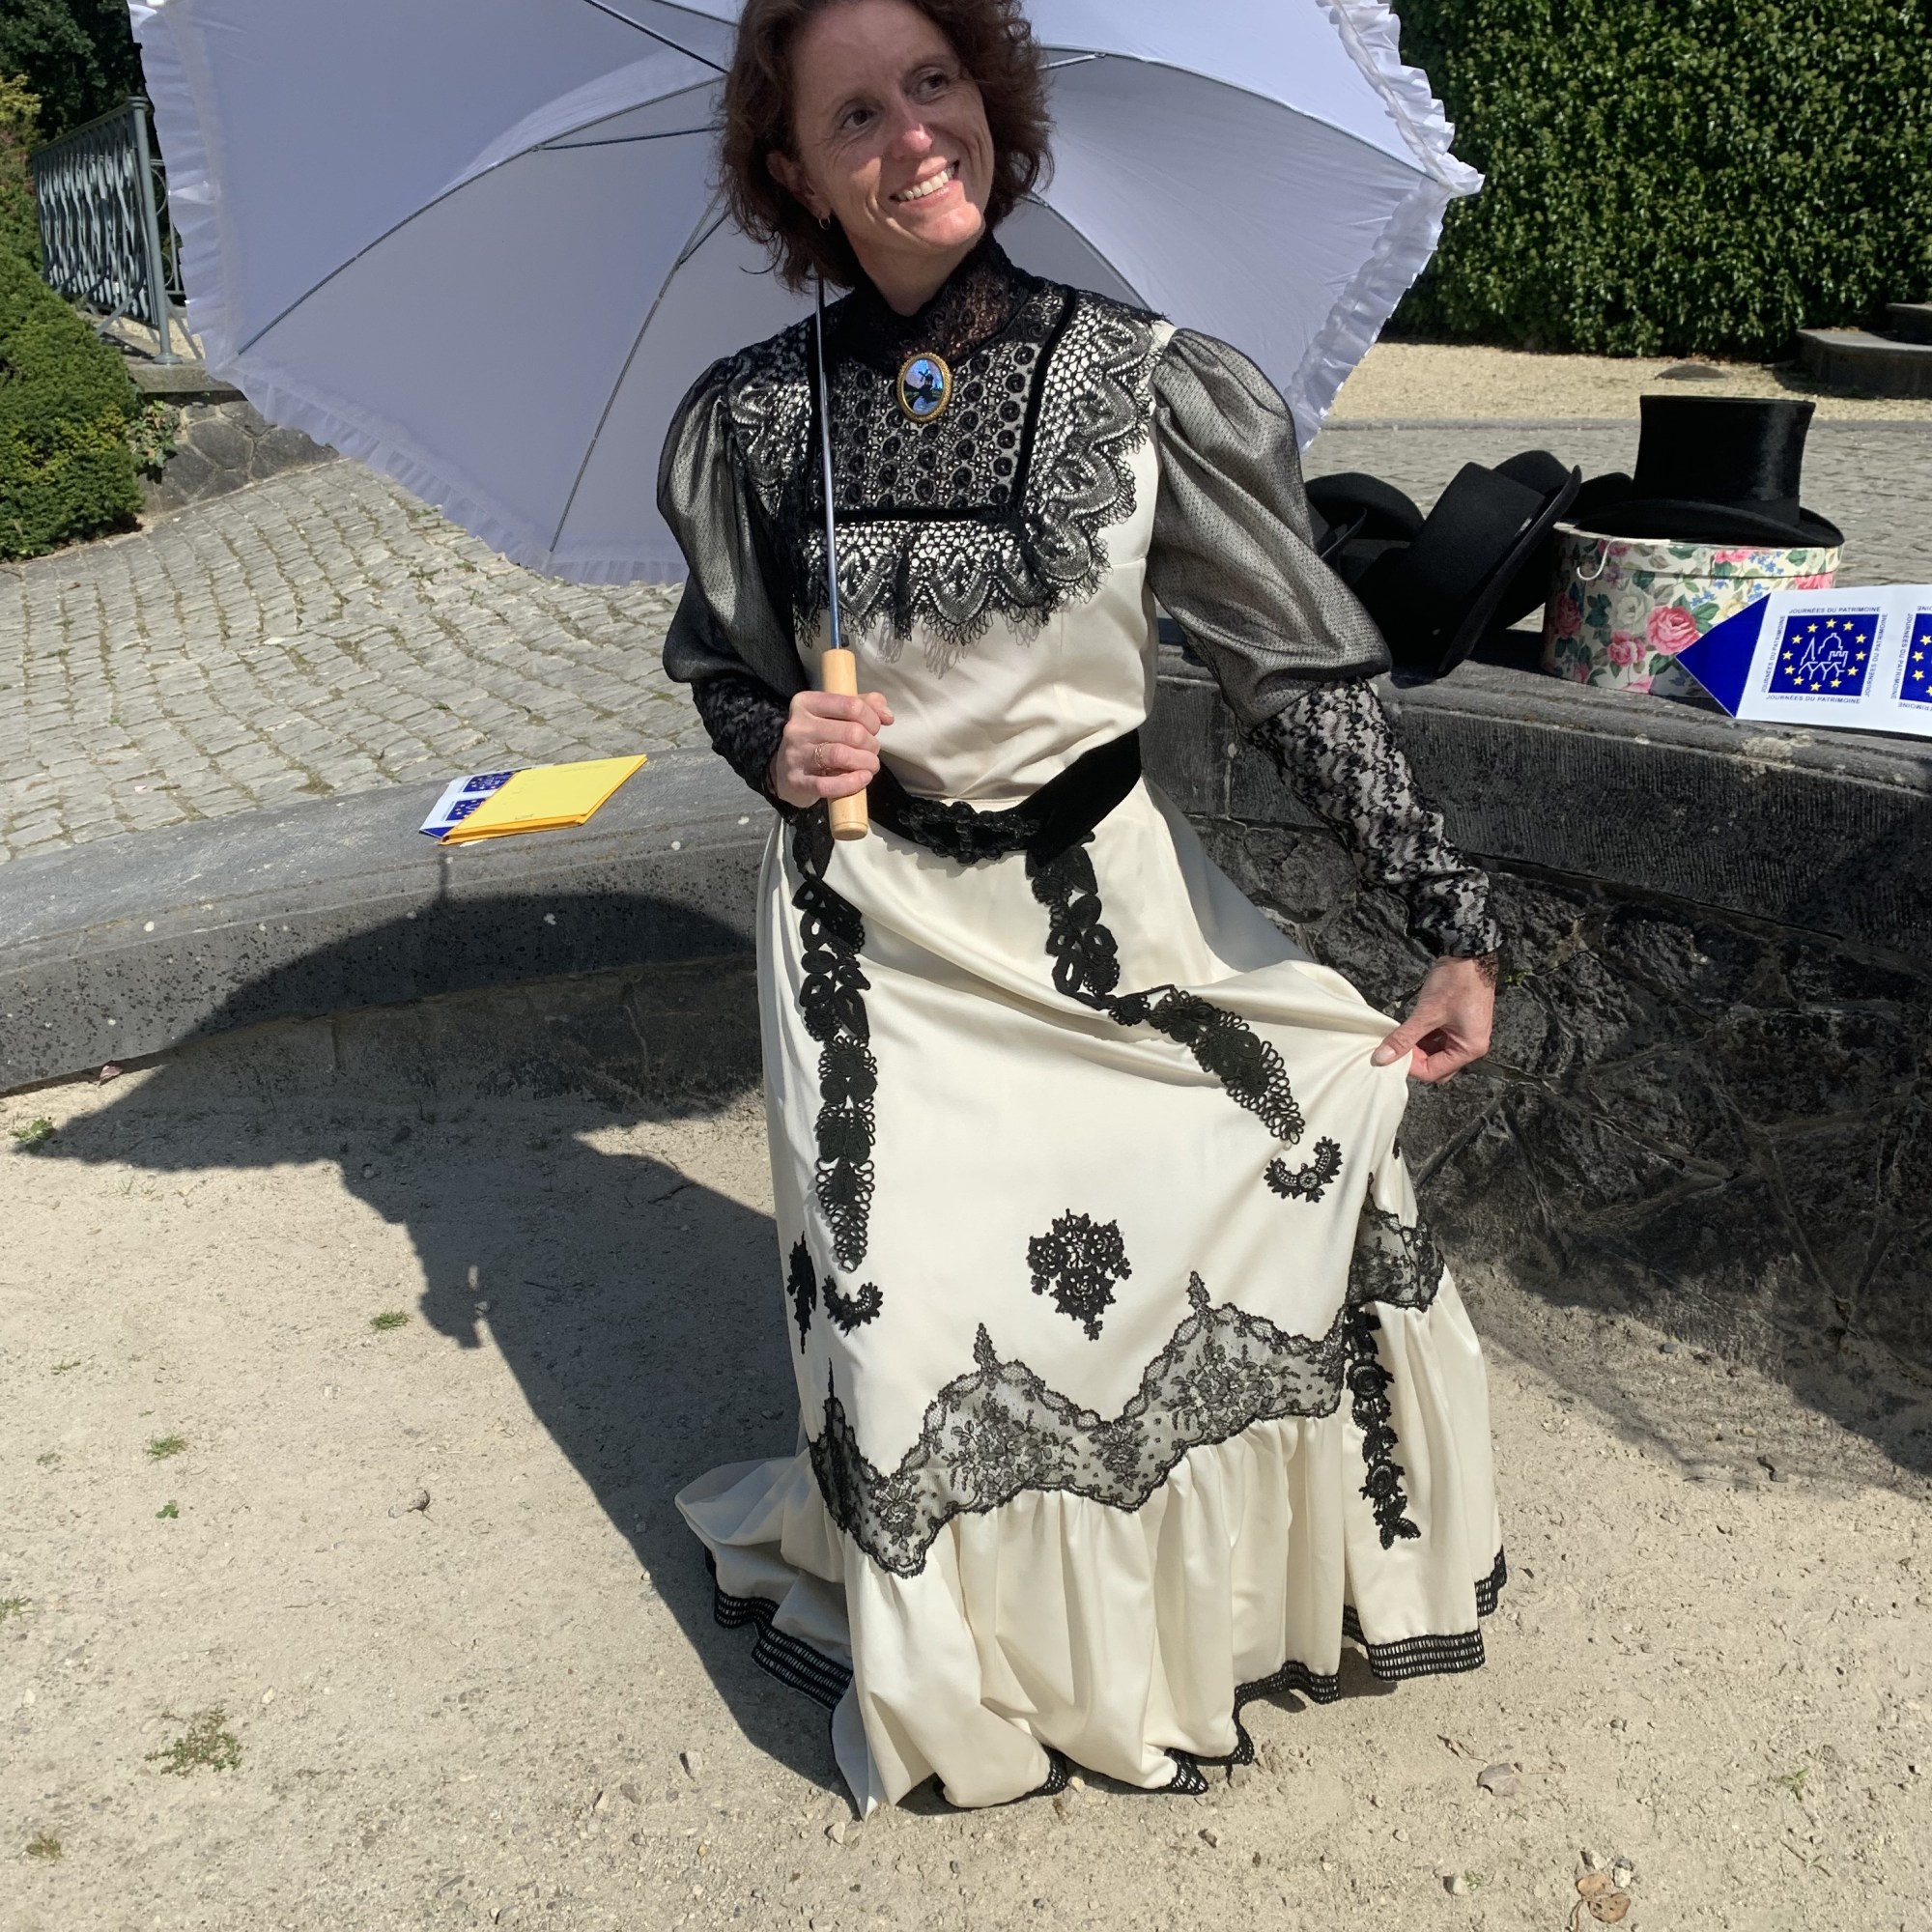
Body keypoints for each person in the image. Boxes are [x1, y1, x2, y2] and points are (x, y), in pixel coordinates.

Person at [659, 0, 1504, 1813]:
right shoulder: (752, 423)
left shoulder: (1146, 384)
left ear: (993, 96)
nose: (913, 135)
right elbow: (718, 667)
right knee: (910, 1325)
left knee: (1275, 1176)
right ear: (795, 170)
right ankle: (974, 1674)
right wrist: (777, 743)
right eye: (856, 114)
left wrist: (1449, 914)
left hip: (1113, 928)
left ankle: (1191, 1625)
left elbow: (1294, 677)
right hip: (872, 948)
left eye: (935, 83)